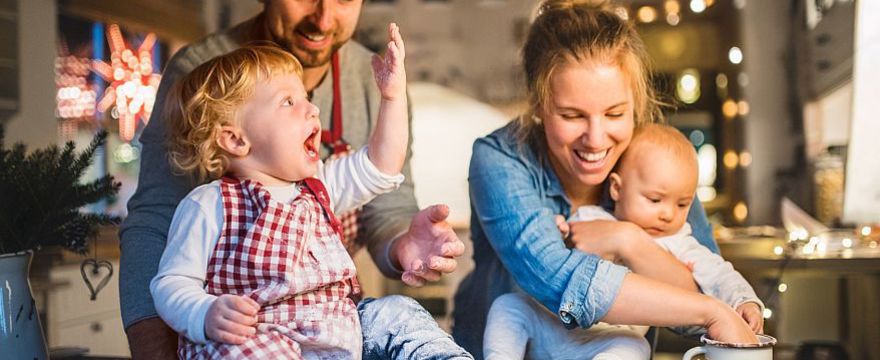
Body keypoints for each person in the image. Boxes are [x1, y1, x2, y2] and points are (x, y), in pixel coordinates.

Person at [120, 1, 466, 358]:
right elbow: (172, 280)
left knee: (396, 312)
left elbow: (380, 167)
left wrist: (391, 98)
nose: (312, 108)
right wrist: (204, 314)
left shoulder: (318, 186)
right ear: (236, 139)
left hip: (338, 327)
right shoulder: (208, 204)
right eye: (289, 102)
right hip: (263, 332)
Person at [452, 1, 758, 358]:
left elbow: (702, 300)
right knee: (509, 309)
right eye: (572, 115)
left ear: (636, 105)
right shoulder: (500, 159)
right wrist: (708, 310)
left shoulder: (657, 159)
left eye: (614, 113)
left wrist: (629, 241)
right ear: (539, 105)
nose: (596, 139)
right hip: (509, 347)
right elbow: (559, 279)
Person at [482, 124, 765, 359]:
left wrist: (745, 300)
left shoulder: (681, 244)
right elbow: (555, 257)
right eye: (654, 200)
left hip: (608, 339)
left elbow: (721, 275)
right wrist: (557, 230)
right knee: (508, 307)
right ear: (617, 188)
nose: (667, 214)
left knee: (634, 348)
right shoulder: (592, 218)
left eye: (682, 205)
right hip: (550, 329)